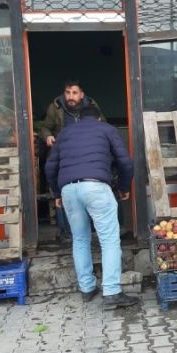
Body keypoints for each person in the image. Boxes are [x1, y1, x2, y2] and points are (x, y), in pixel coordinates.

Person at [44, 106, 138, 309]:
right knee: (109, 240)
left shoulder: (65, 133)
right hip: (95, 186)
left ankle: (87, 288)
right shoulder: (106, 129)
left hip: (69, 189)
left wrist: (56, 193)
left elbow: (50, 166)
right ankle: (112, 292)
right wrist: (123, 187)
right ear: (98, 117)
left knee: (79, 239)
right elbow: (125, 162)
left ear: (79, 118)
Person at [40, 80, 103, 240]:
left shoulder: (91, 106)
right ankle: (65, 232)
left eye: (74, 93)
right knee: (61, 191)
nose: (70, 96)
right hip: (63, 155)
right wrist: (47, 136)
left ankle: (91, 231)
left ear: (81, 95)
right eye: (67, 92)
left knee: (88, 192)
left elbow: (104, 125)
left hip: (86, 155)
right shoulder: (55, 107)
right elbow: (45, 127)